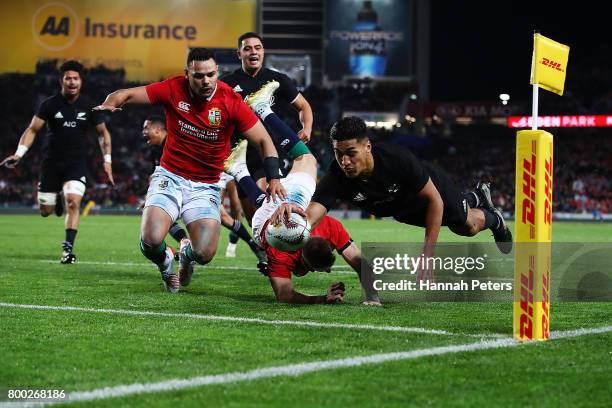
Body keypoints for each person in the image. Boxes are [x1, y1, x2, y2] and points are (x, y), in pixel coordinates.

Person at [95, 48, 284, 293]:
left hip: (206, 185)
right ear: (187, 74)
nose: (206, 81)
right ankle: (165, 262)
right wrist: (112, 101)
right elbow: (128, 94)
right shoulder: (173, 88)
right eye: (198, 76)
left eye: (210, 74)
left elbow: (263, 141)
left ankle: (185, 255)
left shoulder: (231, 101)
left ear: (217, 72)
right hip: (170, 176)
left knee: (205, 254)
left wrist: (274, 176)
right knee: (151, 240)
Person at [281, 116, 513, 279]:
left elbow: (434, 201)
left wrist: (427, 255)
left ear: (368, 147)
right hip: (401, 210)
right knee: (461, 222)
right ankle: (475, 197)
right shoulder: (336, 176)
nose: (345, 162)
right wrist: (295, 229)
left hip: (431, 194)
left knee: (467, 227)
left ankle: (495, 218)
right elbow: (312, 215)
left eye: (351, 153)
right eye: (338, 154)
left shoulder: (396, 159)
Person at [0, 60, 114, 264]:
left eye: (76, 78)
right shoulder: (49, 104)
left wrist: (107, 160)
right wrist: (19, 154)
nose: (72, 82)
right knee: (46, 211)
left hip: (76, 164)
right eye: (68, 78)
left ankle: (67, 250)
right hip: (50, 164)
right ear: (61, 81)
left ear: (81, 81)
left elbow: (103, 134)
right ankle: (58, 199)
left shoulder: (90, 106)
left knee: (74, 202)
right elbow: (32, 129)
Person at [221, 32, 314, 221]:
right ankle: (266, 249)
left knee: (269, 203)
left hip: (268, 149)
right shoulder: (225, 83)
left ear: (263, 52)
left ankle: (280, 242)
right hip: (238, 151)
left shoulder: (277, 80)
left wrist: (307, 127)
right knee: (252, 217)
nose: (253, 52)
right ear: (239, 54)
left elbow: (303, 106)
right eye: (247, 48)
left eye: (258, 48)